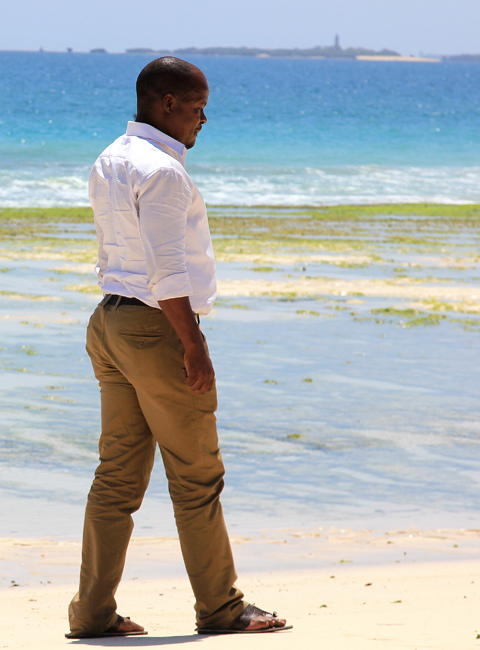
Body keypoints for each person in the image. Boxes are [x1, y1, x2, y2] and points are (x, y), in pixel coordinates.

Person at [66, 57, 290, 638]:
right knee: (197, 476)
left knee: (116, 476)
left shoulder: (108, 159)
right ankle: (220, 607)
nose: (202, 120)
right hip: (153, 328)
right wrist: (194, 345)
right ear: (166, 104)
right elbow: (168, 275)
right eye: (196, 108)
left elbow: (120, 256)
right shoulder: (163, 172)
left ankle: (91, 613)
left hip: (109, 323)